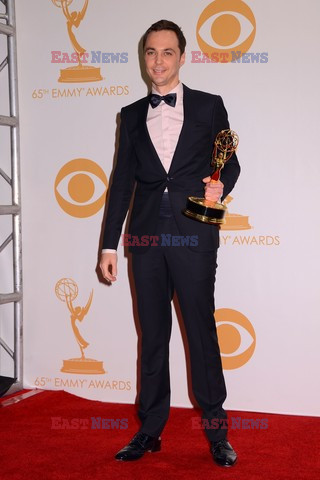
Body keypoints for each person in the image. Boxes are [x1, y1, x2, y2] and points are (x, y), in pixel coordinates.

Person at [100, 19, 240, 467]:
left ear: (183, 57)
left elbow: (229, 163)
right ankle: (150, 430)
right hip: (143, 237)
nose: (157, 61)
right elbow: (121, 183)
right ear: (143, 58)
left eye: (166, 52)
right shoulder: (130, 114)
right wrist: (107, 246)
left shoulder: (208, 106)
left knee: (200, 329)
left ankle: (217, 433)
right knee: (153, 334)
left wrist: (221, 187)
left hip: (194, 232)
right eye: (150, 52)